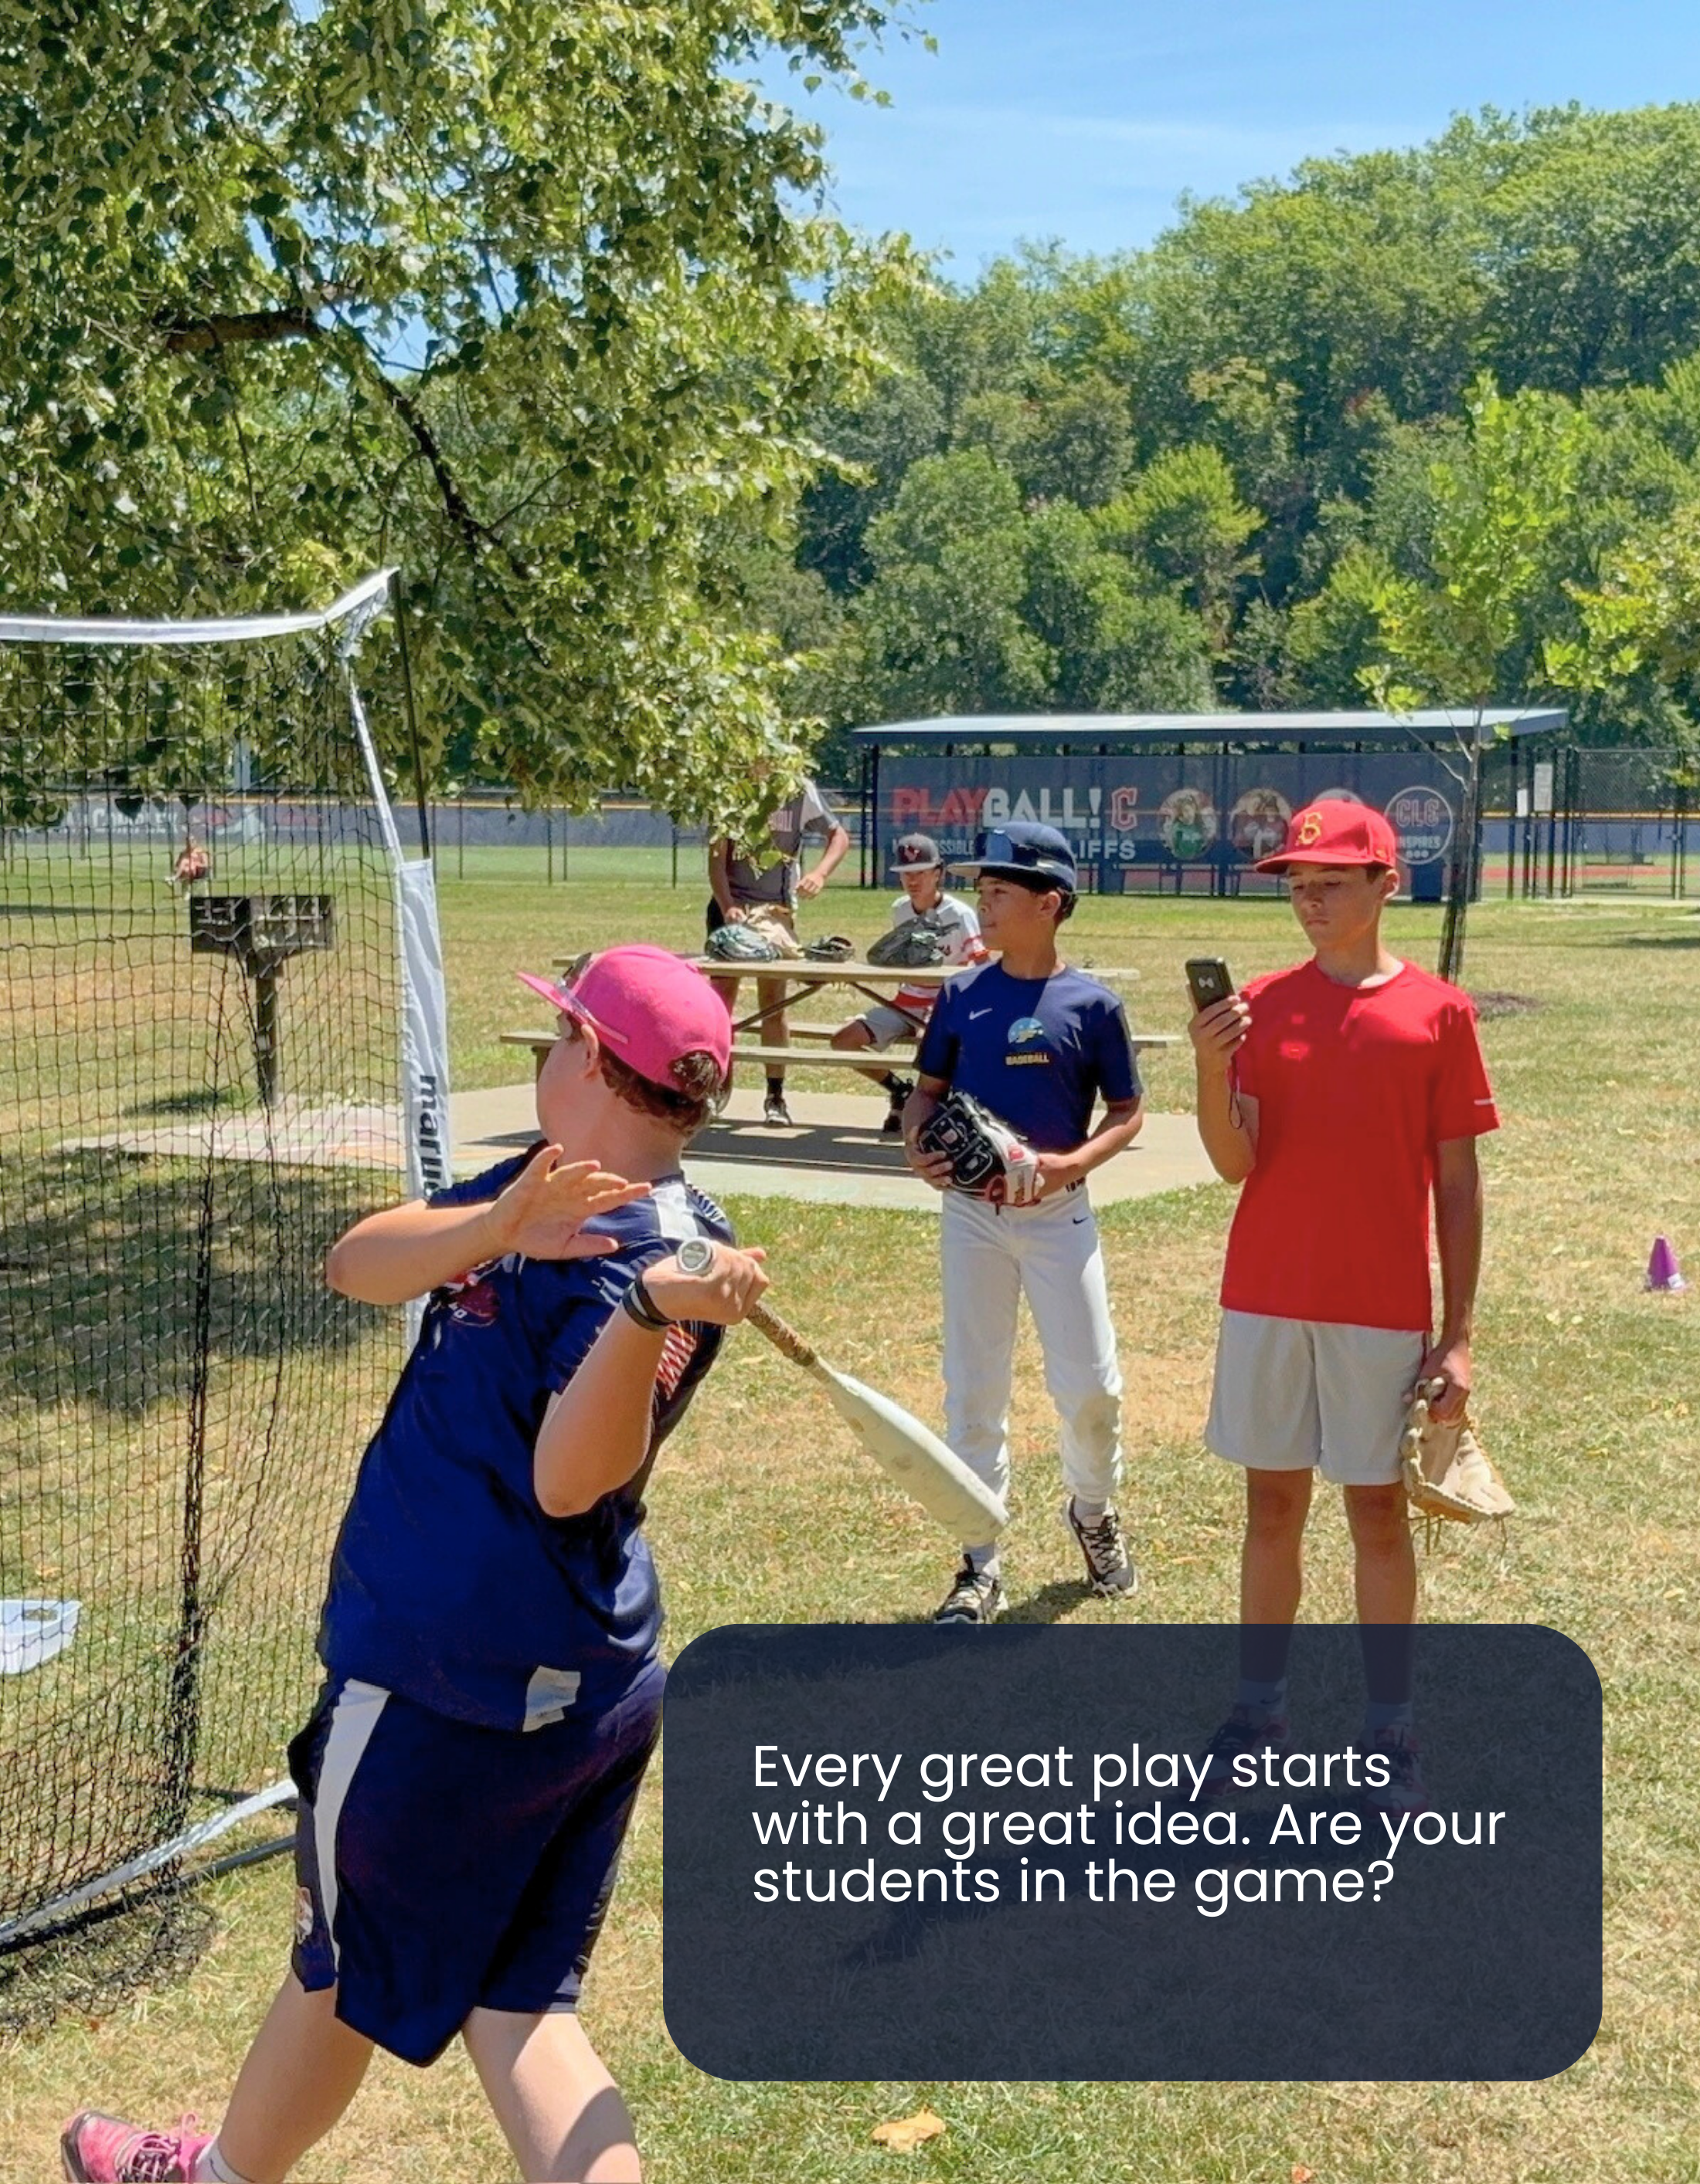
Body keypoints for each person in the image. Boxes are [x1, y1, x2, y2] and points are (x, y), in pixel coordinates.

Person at [62, 946, 768, 2184]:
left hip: (453, 1687)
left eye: (557, 1038)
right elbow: (357, 1263)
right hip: (567, 1679)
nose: (543, 1054)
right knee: (516, 2008)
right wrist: (496, 1224)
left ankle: (217, 2178)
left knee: (342, 1959)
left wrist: (646, 1313)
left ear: (594, 1063)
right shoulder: (554, 1185)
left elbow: (571, 1476)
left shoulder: (661, 1258)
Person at [1187, 801, 1499, 1815]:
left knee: (1376, 1511)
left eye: (1331, 878)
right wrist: (1207, 1063)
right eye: (1296, 881)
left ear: (1385, 883)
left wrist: (1457, 1333)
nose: (1309, 897)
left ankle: (1388, 1728)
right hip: (1269, 1296)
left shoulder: (1439, 1013)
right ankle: (1257, 1709)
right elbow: (1237, 1161)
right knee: (1272, 1506)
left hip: (1379, 1306)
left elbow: (1456, 1180)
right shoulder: (1264, 1007)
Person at [902, 823, 1145, 1623]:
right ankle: (979, 1560)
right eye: (983, 888)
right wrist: (916, 1147)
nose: (984, 902)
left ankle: (1092, 1510)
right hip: (974, 1216)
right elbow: (926, 1093)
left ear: (1050, 903)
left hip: (1056, 1214)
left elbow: (1128, 1112)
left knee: (1090, 1389)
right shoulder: (962, 994)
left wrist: (1076, 1163)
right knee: (975, 1392)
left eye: (1000, 891)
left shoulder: (1093, 1005)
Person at [706, 777, 850, 1126]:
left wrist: (820, 872)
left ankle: (775, 1095)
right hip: (733, 910)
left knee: (774, 1004)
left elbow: (839, 835)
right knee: (720, 1005)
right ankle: (716, 1087)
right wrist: (728, 906)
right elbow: (716, 860)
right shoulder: (731, 788)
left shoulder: (798, 789)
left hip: (775, 912)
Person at [831, 831, 987, 1135]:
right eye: (905, 874)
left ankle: (929, 1110)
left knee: (933, 1042)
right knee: (843, 1040)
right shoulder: (900, 908)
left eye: (920, 873)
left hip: (945, 1006)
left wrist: (950, 1006)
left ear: (938, 873)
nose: (912, 881)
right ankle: (900, 1091)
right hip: (904, 1002)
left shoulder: (960, 913)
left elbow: (981, 965)